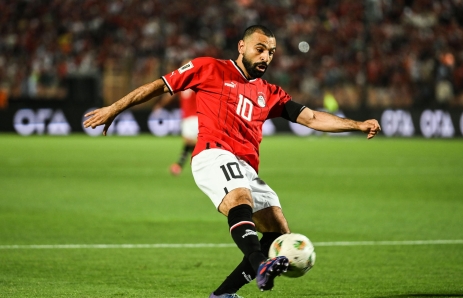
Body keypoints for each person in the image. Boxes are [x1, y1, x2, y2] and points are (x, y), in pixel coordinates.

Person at [83, 25, 381, 298]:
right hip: (212, 154)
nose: (266, 57)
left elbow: (313, 118)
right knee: (242, 197)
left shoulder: (270, 92)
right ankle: (261, 264)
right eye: (260, 49)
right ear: (242, 46)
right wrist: (114, 108)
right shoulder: (208, 68)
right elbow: (159, 86)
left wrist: (357, 125)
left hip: (246, 168)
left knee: (278, 231)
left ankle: (224, 294)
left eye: (272, 52)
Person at [153, 65, 198, 176]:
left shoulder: (184, 83)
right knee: (191, 143)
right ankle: (190, 163)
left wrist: (160, 105)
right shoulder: (196, 82)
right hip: (195, 117)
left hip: (191, 118)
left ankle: (180, 165)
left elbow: (169, 96)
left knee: (189, 142)